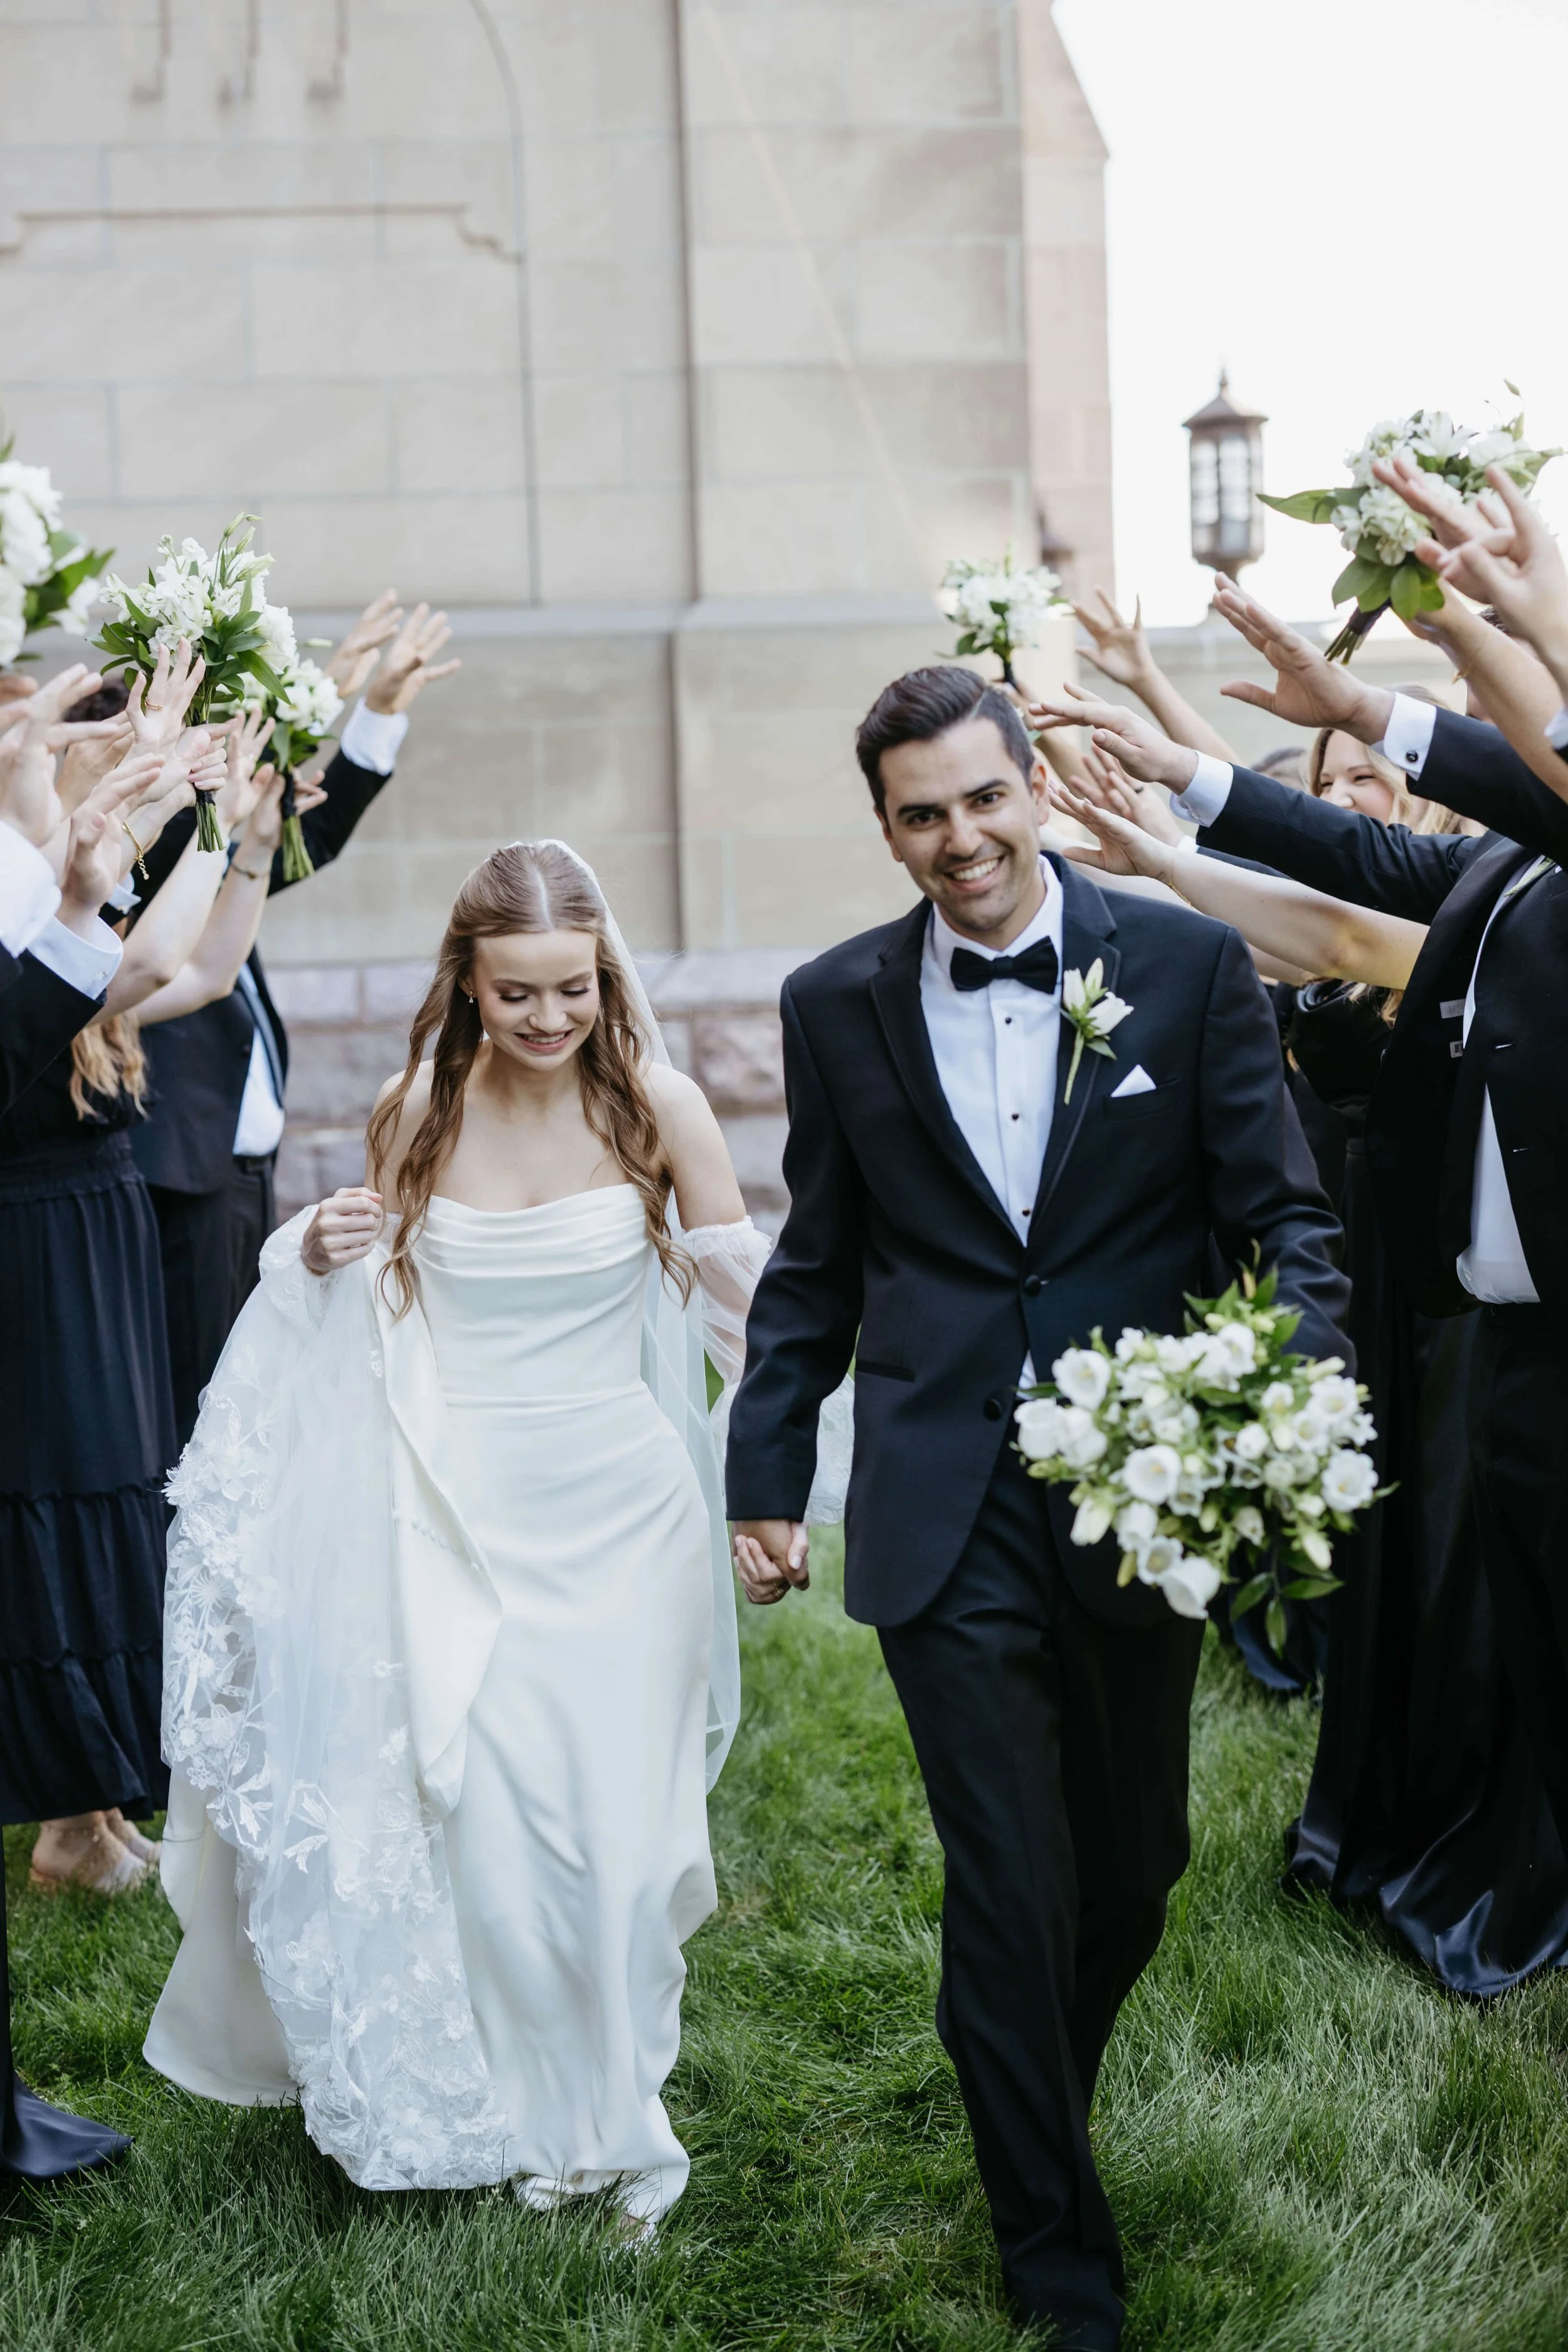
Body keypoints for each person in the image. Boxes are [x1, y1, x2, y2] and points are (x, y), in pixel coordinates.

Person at [724, 665, 1349, 2351]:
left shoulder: (1183, 966)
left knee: (1131, 1861)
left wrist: (1294, 1393)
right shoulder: (834, 999)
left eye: (980, 799)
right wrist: (766, 1468)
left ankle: (1020, 2087)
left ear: (1029, 783)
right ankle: (1056, 2256)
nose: (958, 839)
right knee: (1007, 1871)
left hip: (1135, 1483)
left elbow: (1277, 1212)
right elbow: (819, 1254)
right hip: (938, 1492)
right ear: (885, 827)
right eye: (918, 814)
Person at [144, 839, 833, 2213]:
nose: (548, 1019)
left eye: (570, 989)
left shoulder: (662, 1106)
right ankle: (520, 2111)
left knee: (621, 1849)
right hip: (460, 1518)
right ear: (464, 982)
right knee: (497, 1831)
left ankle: (616, 2107)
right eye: (515, 993)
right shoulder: (413, 1111)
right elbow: (371, 1319)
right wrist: (324, 1251)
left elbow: (745, 1317)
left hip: (627, 1521)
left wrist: (770, 1497)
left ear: (602, 976)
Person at [1037, 580, 1568, 1909]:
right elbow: (1345, 905)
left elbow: (1356, 924)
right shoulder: (1506, 870)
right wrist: (1171, 828)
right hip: (1504, 1349)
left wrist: (1452, 624)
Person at [0, 673, 291, 1900]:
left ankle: (98, 1809)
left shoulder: (78, 977)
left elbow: (209, 967)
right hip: (37, 1259)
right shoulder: (44, 965)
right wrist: (184, 798)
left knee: (118, 1505)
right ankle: (70, 1816)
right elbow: (151, 949)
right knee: (63, 1512)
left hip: (100, 1244)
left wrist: (249, 843)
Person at [131, 597, 460, 1445]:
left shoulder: (228, 861)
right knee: (199, 1403)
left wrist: (374, 711)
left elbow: (316, 830)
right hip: (180, 1175)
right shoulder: (151, 863)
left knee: (245, 1389)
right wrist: (308, 694)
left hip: (236, 1174)